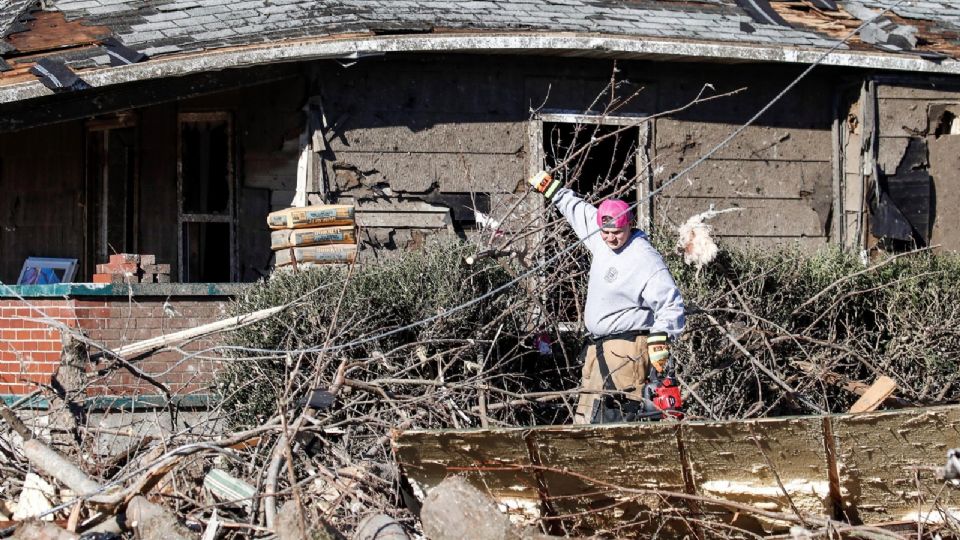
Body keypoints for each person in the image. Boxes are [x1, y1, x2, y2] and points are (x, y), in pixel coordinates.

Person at [528, 172, 685, 424]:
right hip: (597, 348)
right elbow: (576, 209)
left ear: (629, 224)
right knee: (587, 420)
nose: (611, 237)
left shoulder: (644, 257)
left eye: (617, 232)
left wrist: (661, 338)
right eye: (606, 232)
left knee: (613, 420)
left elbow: (671, 303)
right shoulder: (602, 237)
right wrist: (552, 189)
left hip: (627, 350)